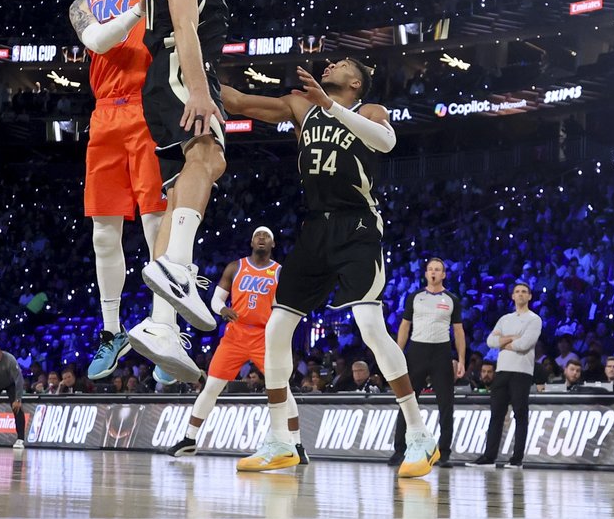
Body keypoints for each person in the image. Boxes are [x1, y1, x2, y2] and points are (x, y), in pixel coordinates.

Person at [219, 61, 437, 478]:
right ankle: (282, 440)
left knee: (371, 327)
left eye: (341, 64)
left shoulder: (370, 111)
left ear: (355, 82)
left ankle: (420, 436)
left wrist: (332, 108)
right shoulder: (301, 107)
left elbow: (387, 143)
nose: (331, 64)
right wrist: (192, 71)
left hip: (357, 225)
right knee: (275, 330)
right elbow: (240, 101)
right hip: (315, 226)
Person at [69, 0, 171, 383]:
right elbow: (100, 43)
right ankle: (112, 331)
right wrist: (139, 7)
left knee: (156, 222)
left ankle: (159, 326)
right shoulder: (86, 5)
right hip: (105, 117)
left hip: (144, 111)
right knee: (104, 232)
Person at [127, 0, 230, 382]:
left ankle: (160, 323)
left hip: (179, 76)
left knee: (182, 191)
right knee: (207, 157)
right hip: (177, 73)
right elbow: (185, 29)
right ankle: (175, 268)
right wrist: (198, 91)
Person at [167, 225, 305, 464]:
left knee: (284, 390)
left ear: (273, 245)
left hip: (265, 337)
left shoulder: (281, 272)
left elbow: (286, 306)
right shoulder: (235, 267)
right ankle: (189, 439)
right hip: (235, 336)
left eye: (267, 236)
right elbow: (216, 299)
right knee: (211, 387)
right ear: (252, 243)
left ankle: (297, 445)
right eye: (257, 236)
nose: (261, 238)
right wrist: (223, 309)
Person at [391, 257, 467, 468]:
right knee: (407, 400)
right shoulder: (415, 297)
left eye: (438, 270)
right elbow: (405, 326)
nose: (434, 272)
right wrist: (398, 353)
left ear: (443, 274)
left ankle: (444, 453)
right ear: (425, 273)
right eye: (431, 269)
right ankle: (400, 450)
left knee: (446, 403)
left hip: (441, 351)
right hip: (417, 350)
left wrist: (461, 359)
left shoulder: (452, 299)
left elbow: (459, 331)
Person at [468, 283, 543, 469]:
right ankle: (489, 457)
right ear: (512, 296)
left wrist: (504, 341)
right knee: (496, 415)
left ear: (530, 296)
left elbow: (524, 345)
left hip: (521, 372)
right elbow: (490, 341)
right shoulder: (505, 318)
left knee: (520, 415)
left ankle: (516, 459)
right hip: (502, 371)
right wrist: (511, 338)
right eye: (517, 291)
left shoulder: (534, 320)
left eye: (524, 292)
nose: (520, 294)